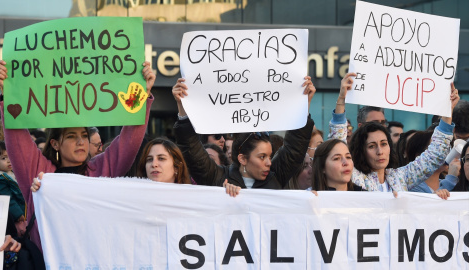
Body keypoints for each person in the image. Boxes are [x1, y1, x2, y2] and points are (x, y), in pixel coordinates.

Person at [0, 59, 156, 251]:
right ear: (55, 143)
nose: (81, 142)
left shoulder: (101, 170)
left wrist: (142, 94)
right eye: (72, 136)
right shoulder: (40, 174)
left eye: (84, 136)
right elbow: (18, 142)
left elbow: (128, 141)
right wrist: (8, 92)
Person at [172, 76, 316, 189]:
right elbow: (191, 148)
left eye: (270, 156)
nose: (269, 163)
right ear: (242, 159)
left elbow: (295, 148)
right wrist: (182, 105)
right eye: (262, 157)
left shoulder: (276, 177)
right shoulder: (218, 178)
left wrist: (304, 103)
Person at [329, 72, 458, 195]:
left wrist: (448, 110)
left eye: (384, 144)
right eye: (372, 146)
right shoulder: (356, 178)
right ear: (361, 150)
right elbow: (337, 144)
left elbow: (434, 156)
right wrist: (341, 99)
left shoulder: (401, 177)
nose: (380, 151)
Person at [0, 141, 27, 236]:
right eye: (4, 158)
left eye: (10, 156)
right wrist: (17, 214)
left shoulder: (11, 172)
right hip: (14, 217)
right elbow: (7, 198)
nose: (9, 160)